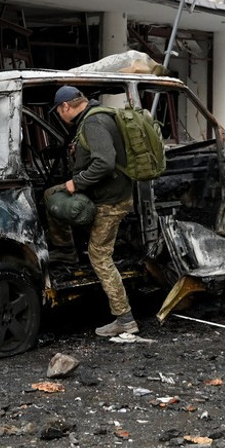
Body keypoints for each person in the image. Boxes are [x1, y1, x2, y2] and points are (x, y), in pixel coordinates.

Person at [45, 86, 138, 337]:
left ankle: (125, 318)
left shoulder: (93, 123)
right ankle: (66, 253)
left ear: (66, 107)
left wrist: (78, 183)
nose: (60, 115)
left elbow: (105, 162)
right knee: (53, 194)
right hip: (108, 195)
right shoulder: (97, 116)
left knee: (99, 256)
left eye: (58, 111)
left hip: (111, 201)